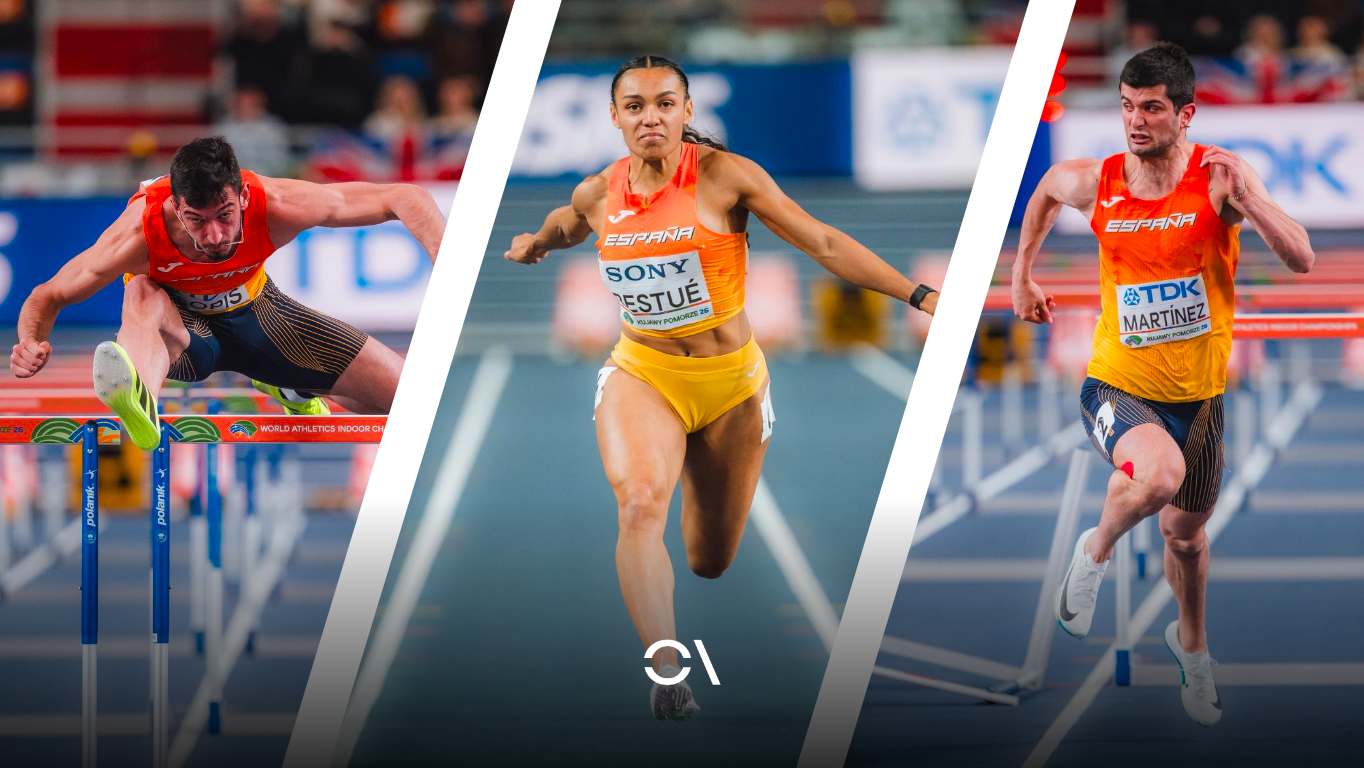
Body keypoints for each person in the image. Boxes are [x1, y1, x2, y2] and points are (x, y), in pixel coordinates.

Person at [504, 54, 939, 722]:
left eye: (666, 103)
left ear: (687, 111)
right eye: (637, 105)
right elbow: (566, 225)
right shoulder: (599, 193)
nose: (652, 116)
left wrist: (920, 293)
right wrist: (534, 243)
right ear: (615, 116)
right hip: (642, 373)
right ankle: (667, 669)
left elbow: (821, 240)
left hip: (732, 384)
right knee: (640, 505)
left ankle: (690, 529)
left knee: (709, 559)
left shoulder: (722, 177)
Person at [1012, 42, 1314, 727]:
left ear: (1186, 114)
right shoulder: (1098, 180)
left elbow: (1300, 257)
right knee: (1156, 475)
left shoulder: (1217, 181)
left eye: (1151, 108)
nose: (1135, 121)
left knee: (1186, 538)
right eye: (1126, 107)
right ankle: (1093, 555)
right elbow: (1046, 192)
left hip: (1200, 398)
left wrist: (1250, 200)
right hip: (1117, 384)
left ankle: (1192, 648)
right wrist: (1021, 276)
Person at [10, 136, 445, 450]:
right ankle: (139, 398)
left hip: (263, 317)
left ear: (242, 195)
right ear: (175, 208)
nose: (215, 235)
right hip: (182, 334)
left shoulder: (278, 202)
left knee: (412, 399)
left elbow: (406, 197)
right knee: (141, 290)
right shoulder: (136, 235)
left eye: (225, 214)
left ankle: (291, 386)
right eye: (196, 221)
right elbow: (47, 296)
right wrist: (29, 341)